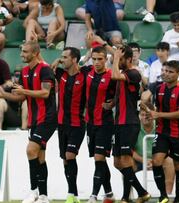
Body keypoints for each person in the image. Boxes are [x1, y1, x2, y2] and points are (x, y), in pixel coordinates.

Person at [13, 41, 57, 203]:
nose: (21, 54)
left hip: (48, 118)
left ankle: (33, 191)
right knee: (39, 157)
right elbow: (22, 96)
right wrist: (1, 94)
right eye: (21, 51)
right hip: (34, 119)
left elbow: (45, 93)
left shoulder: (45, 70)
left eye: (25, 52)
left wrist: (23, 90)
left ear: (35, 53)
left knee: (30, 150)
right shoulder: (24, 71)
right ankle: (43, 196)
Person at [111, 46, 151, 203]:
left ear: (128, 59)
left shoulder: (133, 73)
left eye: (121, 59)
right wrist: (111, 104)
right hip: (119, 122)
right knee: (117, 162)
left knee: (126, 160)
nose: (118, 62)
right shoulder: (124, 75)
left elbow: (114, 76)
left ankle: (133, 195)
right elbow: (121, 93)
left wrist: (114, 57)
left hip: (129, 122)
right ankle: (131, 195)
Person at [148, 60, 179, 203]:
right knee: (156, 161)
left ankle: (178, 198)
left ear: (178, 74)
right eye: (164, 70)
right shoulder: (157, 87)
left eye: (170, 72)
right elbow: (148, 101)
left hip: (178, 133)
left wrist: (159, 115)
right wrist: (146, 103)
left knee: (178, 165)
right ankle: (163, 195)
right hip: (161, 132)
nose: (165, 74)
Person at [50, 47, 87, 203]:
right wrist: (58, 60)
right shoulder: (61, 74)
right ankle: (74, 195)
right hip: (62, 123)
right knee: (66, 159)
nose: (62, 59)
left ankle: (71, 194)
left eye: (65, 57)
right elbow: (51, 69)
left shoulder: (84, 74)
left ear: (74, 60)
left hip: (78, 123)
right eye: (61, 57)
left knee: (70, 155)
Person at [85, 46, 116, 203]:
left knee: (99, 158)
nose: (96, 62)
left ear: (106, 59)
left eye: (100, 59)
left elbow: (121, 92)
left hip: (105, 123)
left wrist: (113, 103)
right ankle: (109, 193)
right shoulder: (87, 72)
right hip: (90, 124)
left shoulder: (111, 76)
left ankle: (93, 195)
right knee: (100, 161)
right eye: (94, 59)